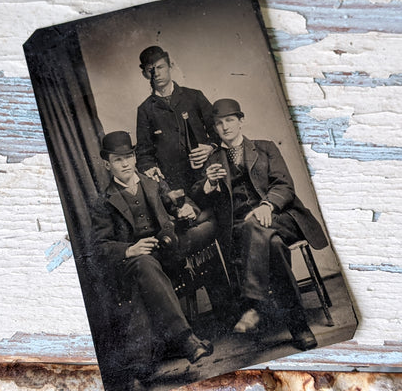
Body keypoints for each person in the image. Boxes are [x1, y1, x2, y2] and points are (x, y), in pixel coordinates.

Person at [192, 99, 328, 351]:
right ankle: (299, 327)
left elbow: (284, 184)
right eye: (219, 123)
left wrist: (266, 206)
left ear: (241, 121)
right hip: (243, 230)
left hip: (280, 217)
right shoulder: (213, 160)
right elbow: (198, 199)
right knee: (272, 244)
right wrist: (208, 184)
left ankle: (253, 304)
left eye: (230, 120)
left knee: (262, 228)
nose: (225, 127)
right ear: (215, 128)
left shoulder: (265, 148)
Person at [90, 131, 214, 377]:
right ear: (107, 164)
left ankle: (140, 362)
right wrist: (129, 249)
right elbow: (98, 247)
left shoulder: (153, 184)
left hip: (167, 255)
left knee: (145, 278)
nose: (125, 163)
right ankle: (186, 340)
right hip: (134, 263)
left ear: (135, 158)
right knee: (144, 265)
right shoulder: (103, 202)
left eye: (129, 156)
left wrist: (186, 210)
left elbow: (178, 207)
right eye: (118, 160)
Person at [136, 45, 219, 191]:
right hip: (175, 182)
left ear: (170, 66)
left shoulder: (194, 97)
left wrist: (210, 148)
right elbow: (144, 154)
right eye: (151, 70)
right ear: (145, 74)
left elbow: (218, 129)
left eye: (160, 67)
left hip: (207, 173)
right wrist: (150, 168)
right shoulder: (145, 110)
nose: (157, 74)